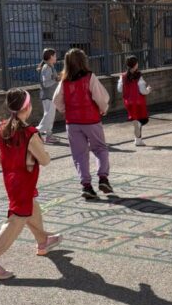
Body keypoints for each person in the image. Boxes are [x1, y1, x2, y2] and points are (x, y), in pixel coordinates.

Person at [0, 88, 62, 279]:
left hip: (12, 181)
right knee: (16, 219)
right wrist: (44, 152)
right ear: (27, 107)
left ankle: (43, 240)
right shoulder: (29, 133)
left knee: (31, 207)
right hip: (23, 182)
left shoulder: (3, 128)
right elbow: (45, 160)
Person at [52, 48, 112, 199]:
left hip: (72, 122)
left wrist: (66, 110)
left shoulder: (64, 81)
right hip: (91, 120)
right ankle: (103, 178)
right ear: (83, 61)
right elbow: (101, 97)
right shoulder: (89, 77)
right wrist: (103, 109)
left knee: (79, 155)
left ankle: (86, 186)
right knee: (100, 148)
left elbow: (56, 100)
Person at [117, 55, 152, 146]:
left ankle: (138, 140)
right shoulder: (139, 76)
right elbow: (143, 91)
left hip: (128, 102)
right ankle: (138, 131)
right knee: (143, 119)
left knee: (136, 118)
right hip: (139, 102)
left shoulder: (122, 76)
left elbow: (119, 89)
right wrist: (148, 90)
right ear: (135, 65)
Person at [36, 47, 60, 144]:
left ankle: (49, 136)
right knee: (48, 116)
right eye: (55, 55)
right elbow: (46, 83)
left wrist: (56, 78)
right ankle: (36, 131)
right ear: (50, 57)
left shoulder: (50, 66)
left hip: (49, 95)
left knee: (50, 116)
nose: (56, 57)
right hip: (48, 95)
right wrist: (57, 80)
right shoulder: (47, 67)